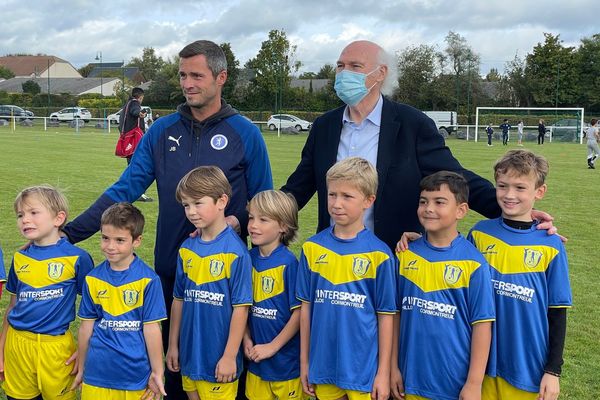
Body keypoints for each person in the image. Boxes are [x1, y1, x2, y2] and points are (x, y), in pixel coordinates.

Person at [62, 39, 272, 399]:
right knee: (171, 372)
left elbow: (263, 204)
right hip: (170, 272)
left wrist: (236, 221)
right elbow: (124, 189)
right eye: (182, 75)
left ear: (221, 77)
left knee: (217, 374)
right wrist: (69, 233)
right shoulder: (161, 132)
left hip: (222, 282)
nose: (187, 83)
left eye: (197, 75)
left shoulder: (246, 133)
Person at [282, 40, 502, 252]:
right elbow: (299, 187)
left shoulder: (413, 124)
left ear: (380, 73)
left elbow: (455, 177)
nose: (344, 73)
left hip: (394, 256)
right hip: (334, 258)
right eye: (340, 66)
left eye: (355, 66)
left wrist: (512, 210)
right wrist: (259, 213)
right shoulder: (324, 126)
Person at [467, 150, 572, 400]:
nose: (509, 195)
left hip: (527, 368)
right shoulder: (479, 234)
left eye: (520, 187)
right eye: (502, 186)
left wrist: (553, 371)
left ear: (539, 192)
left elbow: (557, 311)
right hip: (479, 368)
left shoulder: (550, 245)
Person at [296, 157, 396, 400]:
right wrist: (305, 362)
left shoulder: (380, 255)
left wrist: (383, 373)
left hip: (363, 370)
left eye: (347, 196)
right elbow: (306, 310)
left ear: (368, 201)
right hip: (323, 366)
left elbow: (386, 318)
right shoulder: (312, 248)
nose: (337, 204)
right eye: (332, 195)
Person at [391, 171, 495, 400]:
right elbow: (394, 315)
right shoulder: (405, 255)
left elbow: (482, 326)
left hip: (453, 383)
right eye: (423, 201)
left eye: (439, 202)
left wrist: (474, 383)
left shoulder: (473, 263)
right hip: (409, 379)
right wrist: (392, 367)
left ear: (461, 210)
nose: (428, 208)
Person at [0, 185, 94, 400]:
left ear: (58, 218)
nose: (25, 219)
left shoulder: (78, 258)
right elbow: (13, 306)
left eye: (34, 213)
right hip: (18, 346)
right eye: (20, 215)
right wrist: (2, 347)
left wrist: (84, 349)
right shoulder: (20, 258)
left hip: (56, 349)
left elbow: (94, 310)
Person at [166, 166, 252, 400]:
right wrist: (173, 345)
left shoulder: (236, 253)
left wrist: (228, 356)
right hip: (189, 355)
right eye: (186, 205)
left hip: (218, 360)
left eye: (197, 203)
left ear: (221, 201)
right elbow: (178, 301)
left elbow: (241, 309)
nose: (191, 211)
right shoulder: (187, 248)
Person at [72, 202, 167, 399]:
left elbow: (152, 329)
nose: (110, 246)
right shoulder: (93, 279)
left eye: (120, 240)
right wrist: (82, 367)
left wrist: (157, 372)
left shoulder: (148, 280)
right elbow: (85, 328)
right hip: (97, 374)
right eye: (105, 238)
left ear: (137, 241)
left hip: (135, 377)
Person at [242, 190, 302, 400]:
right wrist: (246, 337)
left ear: (283, 226)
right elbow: (242, 308)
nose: (253, 225)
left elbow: (299, 314)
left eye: (263, 219)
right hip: (256, 363)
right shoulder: (246, 259)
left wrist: (272, 347)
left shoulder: (290, 264)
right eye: (251, 218)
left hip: (286, 365)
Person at [119, 87, 153, 202]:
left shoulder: (127, 104)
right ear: (140, 97)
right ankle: (139, 193)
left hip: (128, 139)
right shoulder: (135, 103)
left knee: (132, 165)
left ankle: (128, 190)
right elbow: (135, 112)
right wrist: (141, 113)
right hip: (134, 139)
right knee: (139, 165)